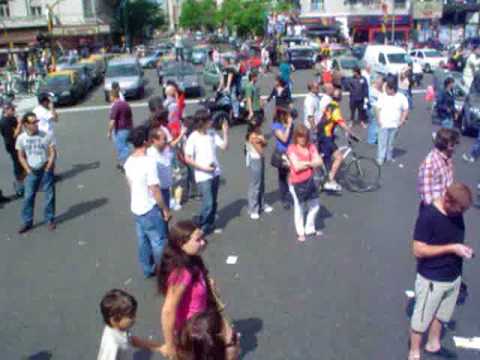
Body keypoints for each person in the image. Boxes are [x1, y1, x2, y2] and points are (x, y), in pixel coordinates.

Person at [408, 183, 474, 360]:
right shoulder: (428, 216)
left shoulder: (456, 213)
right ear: (447, 200)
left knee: (442, 315)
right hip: (432, 278)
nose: (461, 214)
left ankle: (433, 344)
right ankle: (414, 352)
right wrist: (452, 248)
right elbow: (418, 250)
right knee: (421, 320)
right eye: (459, 210)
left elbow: (452, 239)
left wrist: (462, 249)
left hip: (453, 277)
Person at [157, 220, 239, 359]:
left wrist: (206, 283)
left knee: (230, 345)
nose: (202, 242)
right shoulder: (182, 273)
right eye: (198, 240)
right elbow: (168, 311)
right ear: (181, 244)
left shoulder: (191, 259)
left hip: (204, 320)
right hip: (194, 332)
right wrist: (170, 345)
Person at [123, 126, 170, 278]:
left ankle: (147, 268)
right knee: (158, 241)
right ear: (145, 142)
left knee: (143, 240)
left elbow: (130, 184)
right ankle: (163, 271)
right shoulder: (149, 162)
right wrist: (164, 209)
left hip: (136, 207)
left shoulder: (129, 161)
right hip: (150, 208)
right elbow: (155, 189)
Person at [184, 110, 229, 234]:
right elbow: (187, 158)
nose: (211, 122)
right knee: (208, 202)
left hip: (215, 172)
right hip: (202, 174)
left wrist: (225, 132)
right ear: (202, 122)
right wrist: (204, 168)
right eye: (209, 120)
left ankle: (208, 225)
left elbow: (224, 147)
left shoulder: (212, 133)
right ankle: (198, 223)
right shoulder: (193, 137)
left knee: (213, 201)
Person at [16, 112, 56, 234]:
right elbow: (21, 156)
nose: (36, 124)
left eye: (36, 121)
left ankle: (49, 219)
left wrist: (49, 165)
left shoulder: (45, 135)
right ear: (26, 125)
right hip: (31, 170)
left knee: (49, 195)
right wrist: (27, 169)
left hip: (44, 168)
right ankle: (27, 221)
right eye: (33, 122)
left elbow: (52, 151)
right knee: (28, 197)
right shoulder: (21, 138)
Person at [97, 289, 163, 360]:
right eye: (131, 316)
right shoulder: (112, 345)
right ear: (114, 320)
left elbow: (131, 340)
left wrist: (158, 347)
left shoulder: (120, 328)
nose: (135, 318)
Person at [286, 124, 324, 242]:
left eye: (304, 136)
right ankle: (300, 232)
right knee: (300, 207)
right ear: (296, 137)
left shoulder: (311, 146)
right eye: (300, 136)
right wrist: (310, 162)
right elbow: (296, 167)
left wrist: (305, 163)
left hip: (309, 180)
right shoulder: (292, 148)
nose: (302, 139)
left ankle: (309, 228)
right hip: (296, 182)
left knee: (315, 205)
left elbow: (320, 161)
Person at [317, 88, 357, 192]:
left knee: (327, 158)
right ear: (340, 98)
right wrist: (352, 133)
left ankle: (324, 178)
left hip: (322, 134)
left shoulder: (330, 105)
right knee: (339, 157)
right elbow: (341, 122)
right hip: (326, 136)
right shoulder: (335, 109)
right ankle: (330, 180)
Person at [418, 128, 458, 207]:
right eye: (452, 145)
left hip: (446, 206)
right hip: (434, 211)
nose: (454, 149)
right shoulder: (430, 164)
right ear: (443, 145)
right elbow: (427, 197)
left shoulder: (447, 158)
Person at [375, 76, 409, 165]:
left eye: (387, 88)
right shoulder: (383, 96)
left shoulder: (401, 97)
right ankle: (381, 158)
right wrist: (378, 120)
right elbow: (377, 108)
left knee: (391, 143)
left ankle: (389, 157)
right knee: (382, 142)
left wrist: (402, 120)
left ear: (392, 89)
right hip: (384, 124)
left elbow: (405, 109)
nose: (385, 90)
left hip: (395, 124)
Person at [245, 116, 273, 220]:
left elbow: (264, 143)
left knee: (262, 182)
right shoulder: (253, 136)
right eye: (260, 125)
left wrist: (263, 140)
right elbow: (261, 151)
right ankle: (253, 208)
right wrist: (262, 141)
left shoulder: (258, 132)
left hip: (259, 159)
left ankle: (262, 203)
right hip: (255, 160)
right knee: (255, 185)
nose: (261, 126)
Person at [272, 107, 294, 209]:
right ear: (281, 115)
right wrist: (288, 126)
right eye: (286, 114)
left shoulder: (285, 124)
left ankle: (291, 193)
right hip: (282, 154)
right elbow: (284, 139)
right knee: (283, 177)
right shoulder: (276, 126)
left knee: (292, 174)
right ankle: (284, 198)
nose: (288, 116)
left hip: (290, 152)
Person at [0, 102, 24, 196]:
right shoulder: (4, 122)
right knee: (18, 166)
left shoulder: (12, 118)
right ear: (6, 110)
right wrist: (20, 123)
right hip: (13, 147)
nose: (14, 111)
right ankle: (19, 186)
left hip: (19, 145)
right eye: (12, 109)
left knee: (24, 165)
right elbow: (13, 135)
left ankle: (22, 183)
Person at [108, 88, 133, 170]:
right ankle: (125, 163)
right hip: (128, 128)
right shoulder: (125, 104)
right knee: (126, 146)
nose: (109, 98)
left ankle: (125, 165)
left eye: (110, 96)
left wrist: (109, 132)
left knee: (122, 148)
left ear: (113, 96)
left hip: (120, 130)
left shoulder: (116, 106)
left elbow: (112, 121)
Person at [366, 74, 384, 145]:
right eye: (381, 80)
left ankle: (373, 139)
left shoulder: (375, 89)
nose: (382, 82)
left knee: (374, 124)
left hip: (375, 109)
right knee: (374, 124)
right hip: (373, 109)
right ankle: (372, 141)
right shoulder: (372, 91)